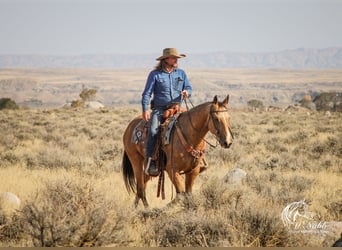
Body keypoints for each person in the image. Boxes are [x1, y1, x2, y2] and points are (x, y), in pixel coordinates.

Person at [141, 48, 192, 176]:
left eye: (177, 58)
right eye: (174, 58)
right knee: (153, 131)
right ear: (165, 60)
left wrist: (187, 92)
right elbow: (147, 93)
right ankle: (150, 162)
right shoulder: (155, 75)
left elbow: (189, 87)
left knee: (192, 126)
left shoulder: (181, 73)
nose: (176, 60)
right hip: (160, 110)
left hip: (177, 108)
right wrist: (145, 109)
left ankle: (196, 160)